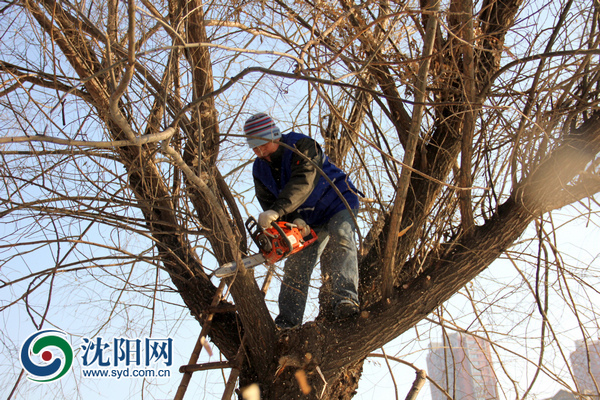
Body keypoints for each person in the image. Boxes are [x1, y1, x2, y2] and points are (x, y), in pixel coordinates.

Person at [244, 112, 361, 328]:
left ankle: (345, 299)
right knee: (296, 264)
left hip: (337, 201)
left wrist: (279, 210)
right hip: (308, 220)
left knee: (342, 238)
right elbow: (268, 200)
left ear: (274, 135)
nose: (259, 151)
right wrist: (292, 218)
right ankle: (288, 322)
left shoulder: (302, 146)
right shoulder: (259, 169)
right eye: (254, 146)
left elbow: (303, 181)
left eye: (262, 144)